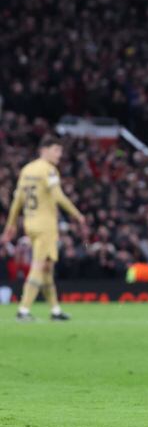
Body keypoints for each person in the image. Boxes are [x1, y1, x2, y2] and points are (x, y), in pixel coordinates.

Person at [2, 136, 86, 321]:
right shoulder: (49, 170)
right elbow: (58, 196)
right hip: (46, 225)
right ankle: (23, 310)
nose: (60, 155)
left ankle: (55, 310)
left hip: (30, 223)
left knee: (47, 267)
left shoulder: (27, 170)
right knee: (39, 265)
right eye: (56, 150)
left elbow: (17, 200)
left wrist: (11, 224)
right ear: (44, 149)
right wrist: (78, 214)